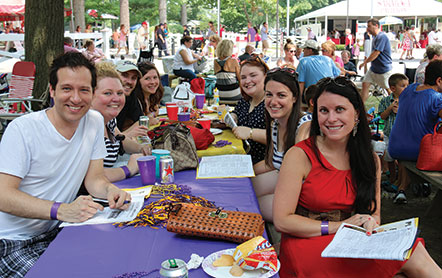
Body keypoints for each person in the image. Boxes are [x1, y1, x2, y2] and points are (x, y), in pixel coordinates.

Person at [273, 76, 442, 278]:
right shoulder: (300, 155)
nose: (331, 118)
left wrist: (370, 223)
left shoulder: (368, 160)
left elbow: (374, 214)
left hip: (348, 242)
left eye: (339, 110)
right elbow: (282, 221)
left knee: (413, 249)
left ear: (357, 115)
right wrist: (339, 226)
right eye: (323, 111)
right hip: (306, 242)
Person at [0, 52, 131, 277]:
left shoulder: (94, 121)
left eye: (84, 90)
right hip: (12, 241)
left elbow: (94, 179)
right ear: (52, 91)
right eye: (67, 88)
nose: (76, 98)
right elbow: (3, 195)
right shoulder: (23, 129)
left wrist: (111, 191)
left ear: (91, 92)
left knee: (120, 261)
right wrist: (62, 210)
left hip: (60, 231)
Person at [252, 68, 311, 222]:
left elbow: (299, 178)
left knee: (252, 204)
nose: (273, 101)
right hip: (285, 181)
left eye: (281, 95)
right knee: (244, 191)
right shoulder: (276, 124)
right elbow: (271, 163)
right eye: (269, 94)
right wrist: (242, 174)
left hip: (306, 194)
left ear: (294, 98)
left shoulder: (305, 127)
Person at [389, 60, 442, 204]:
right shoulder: (437, 98)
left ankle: (402, 189)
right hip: (416, 151)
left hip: (395, 146)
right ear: (439, 80)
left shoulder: (410, 88)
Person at [91, 62, 150, 182]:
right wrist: (129, 169)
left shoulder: (108, 119)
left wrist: (141, 149)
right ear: (90, 94)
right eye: (107, 93)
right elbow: (92, 176)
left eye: (120, 93)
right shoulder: (86, 124)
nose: (116, 99)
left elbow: (121, 140)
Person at [228, 57, 269, 164]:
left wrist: (250, 133)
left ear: (266, 76)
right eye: (243, 77)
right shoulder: (245, 100)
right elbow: (236, 112)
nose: (247, 81)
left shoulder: (272, 103)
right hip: (241, 158)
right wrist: (233, 117)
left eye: (253, 75)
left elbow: (280, 137)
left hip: (262, 164)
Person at [378, 74, 409, 196]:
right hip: (389, 134)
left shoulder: (408, 101)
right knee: (389, 158)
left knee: (401, 159)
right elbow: (381, 116)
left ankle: (399, 180)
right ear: (393, 88)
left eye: (407, 85)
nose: (406, 88)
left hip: (402, 135)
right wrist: (390, 109)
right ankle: (392, 177)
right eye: (403, 86)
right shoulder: (386, 101)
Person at [359, 18, 393, 102]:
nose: (367, 29)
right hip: (374, 69)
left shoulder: (382, 37)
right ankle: (361, 107)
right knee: (365, 84)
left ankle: (396, 106)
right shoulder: (375, 38)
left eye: (369, 26)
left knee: (389, 90)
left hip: (383, 69)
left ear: (376, 26)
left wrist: (365, 63)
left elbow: (376, 53)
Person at [135, 62, 164, 126]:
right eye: (147, 78)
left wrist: (150, 115)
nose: (153, 82)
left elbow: (156, 111)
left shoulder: (151, 96)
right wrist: (148, 120)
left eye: (155, 77)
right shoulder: (134, 101)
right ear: (138, 81)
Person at [214, 39, 242, 104]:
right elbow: (240, 79)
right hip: (233, 93)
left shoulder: (215, 62)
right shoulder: (234, 61)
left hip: (220, 94)